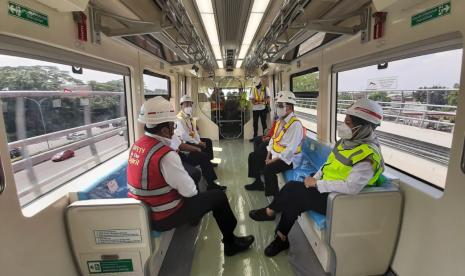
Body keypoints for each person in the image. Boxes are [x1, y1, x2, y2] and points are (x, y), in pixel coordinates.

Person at [249, 99, 385, 257]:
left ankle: (271, 213)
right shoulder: (346, 143)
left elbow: (351, 187)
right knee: (294, 198)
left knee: (292, 189)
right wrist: (315, 176)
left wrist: (318, 184)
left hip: (339, 200)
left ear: (363, 127)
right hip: (326, 189)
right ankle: (281, 237)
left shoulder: (368, 156)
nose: (344, 126)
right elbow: (328, 164)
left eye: (348, 122)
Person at [127, 96, 254, 256]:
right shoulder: (165, 155)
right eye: (172, 126)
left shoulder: (137, 145)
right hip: (163, 215)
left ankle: (196, 215)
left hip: (144, 209)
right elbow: (189, 192)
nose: (174, 129)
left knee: (196, 185)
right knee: (218, 197)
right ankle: (231, 243)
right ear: (165, 130)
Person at [245, 91, 304, 197]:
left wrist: (272, 160)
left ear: (289, 107)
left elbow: (290, 150)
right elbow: (273, 139)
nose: (278, 108)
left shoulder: (295, 124)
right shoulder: (279, 120)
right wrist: (268, 155)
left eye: (281, 105)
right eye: (278, 105)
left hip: (290, 159)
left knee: (269, 169)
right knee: (253, 156)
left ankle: (276, 198)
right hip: (276, 153)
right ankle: (258, 182)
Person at [175, 95, 226, 191]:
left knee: (208, 141)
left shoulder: (189, 117)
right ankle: (211, 183)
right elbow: (185, 136)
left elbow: (194, 131)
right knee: (203, 156)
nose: (189, 106)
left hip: (192, 140)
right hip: (185, 145)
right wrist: (198, 143)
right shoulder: (179, 119)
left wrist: (199, 141)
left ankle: (209, 164)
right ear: (181, 105)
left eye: (190, 104)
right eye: (186, 104)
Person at [249, 76, 270, 141]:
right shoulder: (253, 89)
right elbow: (252, 101)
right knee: (255, 124)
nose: (257, 86)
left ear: (260, 82)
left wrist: (257, 101)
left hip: (263, 109)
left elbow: (268, 99)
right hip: (255, 110)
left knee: (264, 124)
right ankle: (255, 137)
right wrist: (261, 101)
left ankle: (265, 137)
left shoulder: (266, 88)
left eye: (258, 85)